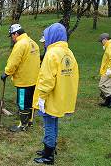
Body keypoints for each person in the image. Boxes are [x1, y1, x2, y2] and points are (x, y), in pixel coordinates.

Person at [32, 23, 79, 164]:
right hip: (61, 96)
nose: (44, 42)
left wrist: (41, 98)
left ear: (52, 37)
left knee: (49, 125)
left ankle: (48, 155)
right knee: (54, 122)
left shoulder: (51, 54)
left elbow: (46, 80)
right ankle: (51, 148)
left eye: (46, 39)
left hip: (51, 97)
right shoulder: (68, 52)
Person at [1, 24, 40, 132]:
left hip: (24, 80)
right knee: (31, 102)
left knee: (22, 103)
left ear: (16, 33)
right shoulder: (33, 43)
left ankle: (22, 125)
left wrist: (6, 73)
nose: (12, 39)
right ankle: (30, 121)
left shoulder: (20, 44)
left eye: (12, 36)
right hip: (34, 79)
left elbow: (14, 61)